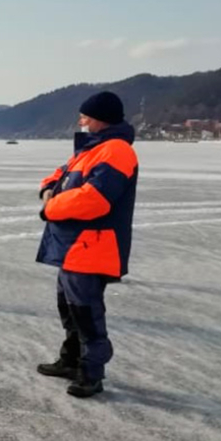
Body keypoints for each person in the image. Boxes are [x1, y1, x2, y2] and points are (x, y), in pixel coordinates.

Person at [36, 91, 138, 398]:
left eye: (86, 117)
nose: (81, 121)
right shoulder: (91, 149)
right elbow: (59, 176)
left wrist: (50, 207)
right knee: (68, 308)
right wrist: (47, 189)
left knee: (86, 313)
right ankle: (71, 360)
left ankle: (91, 373)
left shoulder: (116, 151)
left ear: (101, 119)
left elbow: (95, 199)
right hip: (70, 247)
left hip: (91, 247)